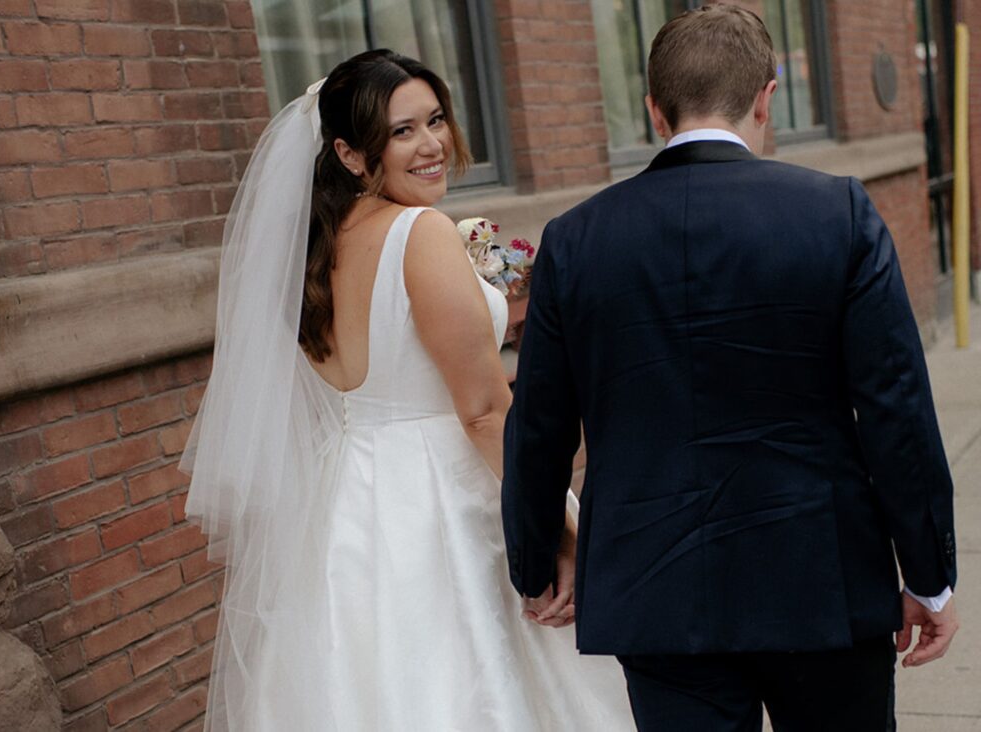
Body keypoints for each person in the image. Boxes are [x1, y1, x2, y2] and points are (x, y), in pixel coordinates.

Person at [501, 5, 959, 731]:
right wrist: (930, 578)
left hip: (656, 589)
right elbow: (896, 409)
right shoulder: (837, 214)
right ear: (766, 98)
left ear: (654, 111)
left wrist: (534, 561)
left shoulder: (575, 240)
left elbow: (538, 425)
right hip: (821, 579)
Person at [180, 49, 634, 730]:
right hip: (445, 497)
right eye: (402, 131)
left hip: (348, 507)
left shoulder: (310, 253)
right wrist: (560, 531)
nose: (432, 145)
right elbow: (483, 412)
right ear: (349, 153)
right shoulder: (420, 234)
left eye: (436, 120)